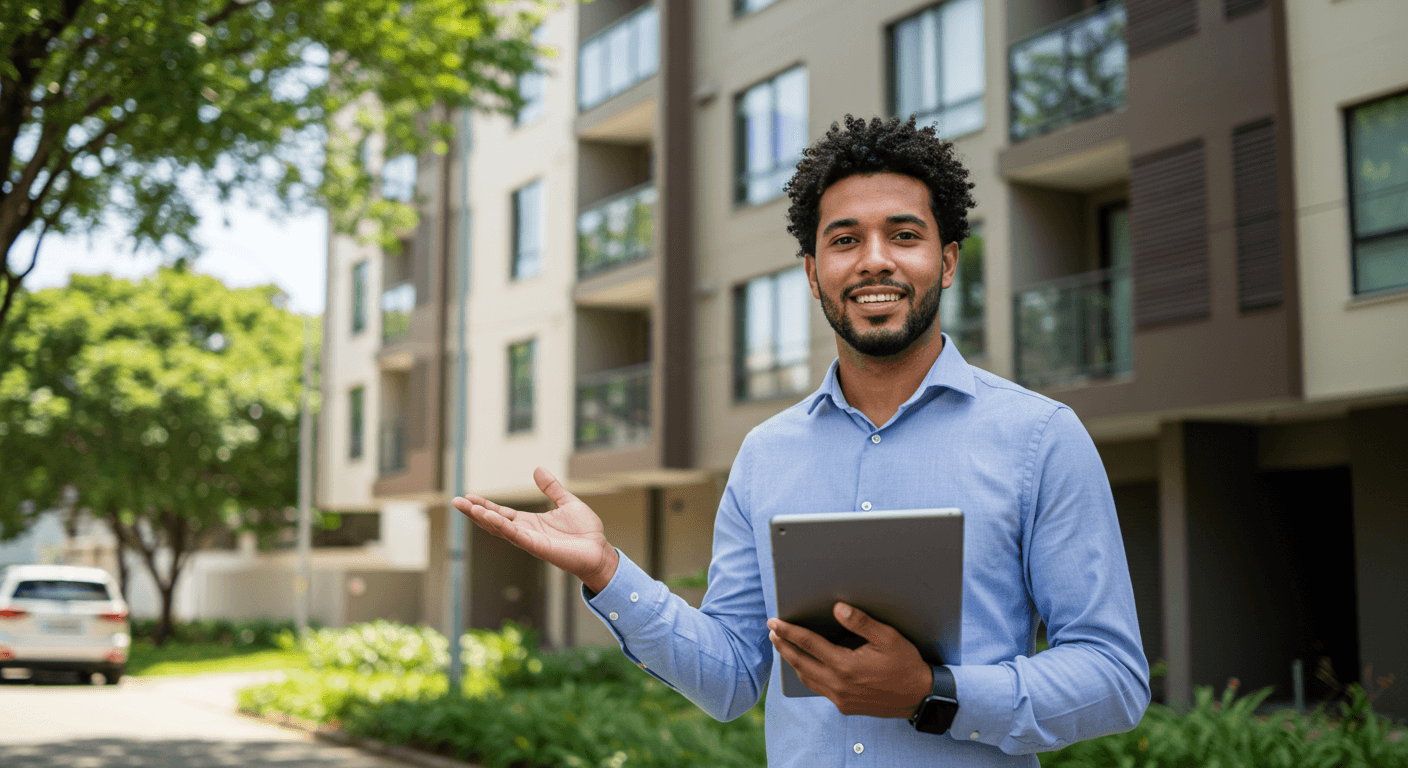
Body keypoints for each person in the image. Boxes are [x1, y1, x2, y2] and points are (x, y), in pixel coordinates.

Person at [454, 115, 1149, 767]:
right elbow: (729, 677)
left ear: (948, 261)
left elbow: (1115, 678)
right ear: (815, 272)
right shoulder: (766, 454)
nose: (875, 261)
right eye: (845, 240)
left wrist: (935, 692)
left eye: (904, 235)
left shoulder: (1040, 438)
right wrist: (606, 572)